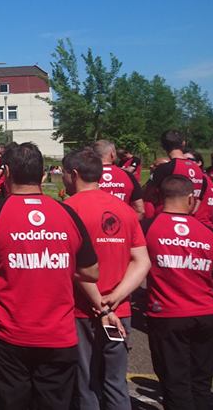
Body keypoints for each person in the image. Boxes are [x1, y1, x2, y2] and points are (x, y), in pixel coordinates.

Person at [0, 142, 109, 410]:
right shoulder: (66, 212)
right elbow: (91, 272)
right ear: (43, 175)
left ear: (6, 172)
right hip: (59, 333)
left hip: (8, 331)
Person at [62, 149, 150, 410]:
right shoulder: (125, 210)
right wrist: (116, 297)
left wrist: (100, 305)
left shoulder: (68, 210)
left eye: (64, 174)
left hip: (81, 310)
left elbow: (73, 266)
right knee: (116, 382)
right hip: (119, 309)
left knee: (86, 383)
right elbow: (142, 261)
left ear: (74, 174)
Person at [143, 175, 213, 410]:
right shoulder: (208, 231)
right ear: (191, 199)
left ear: (160, 197)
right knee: (201, 381)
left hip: (167, 314)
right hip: (205, 313)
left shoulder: (149, 227)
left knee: (174, 381)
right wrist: (199, 283)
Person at [147, 131, 213, 230]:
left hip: (167, 220)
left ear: (162, 146)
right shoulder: (198, 170)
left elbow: (148, 194)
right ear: (183, 143)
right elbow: (199, 200)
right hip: (189, 219)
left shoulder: (165, 168)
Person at [93, 140, 144, 218]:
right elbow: (140, 210)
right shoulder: (127, 175)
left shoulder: (86, 175)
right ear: (112, 154)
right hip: (123, 220)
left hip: (94, 222)